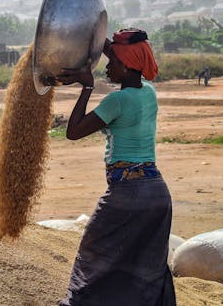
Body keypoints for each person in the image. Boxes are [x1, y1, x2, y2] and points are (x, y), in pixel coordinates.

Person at [55, 28, 176, 305]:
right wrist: (96, 35)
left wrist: (87, 86)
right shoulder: (148, 93)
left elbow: (73, 132)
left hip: (127, 193)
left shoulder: (117, 101)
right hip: (157, 194)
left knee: (92, 258)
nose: (108, 67)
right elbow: (124, 56)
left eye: (112, 64)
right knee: (147, 271)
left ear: (126, 65)